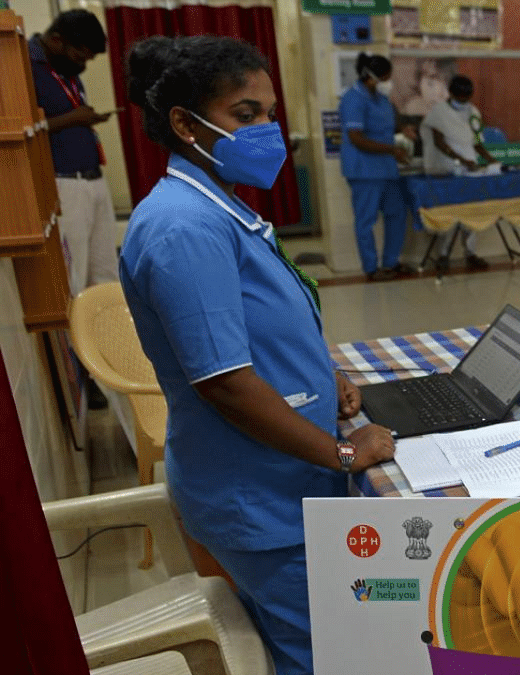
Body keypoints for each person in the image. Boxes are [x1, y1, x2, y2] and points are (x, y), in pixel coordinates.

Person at [119, 36, 395, 674]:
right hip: (261, 499)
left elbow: (251, 331)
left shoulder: (219, 210)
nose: (269, 130)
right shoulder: (185, 227)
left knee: (337, 639)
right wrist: (345, 453)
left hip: (281, 483)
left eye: (270, 113)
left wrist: (321, 378)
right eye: (247, 115)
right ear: (186, 125)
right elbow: (225, 384)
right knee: (323, 656)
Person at [30, 9, 116, 409]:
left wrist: (83, 119)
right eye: (82, 54)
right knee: (76, 282)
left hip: (92, 180)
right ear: (58, 40)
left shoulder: (67, 70)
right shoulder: (24, 66)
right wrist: (71, 120)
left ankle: (115, 363)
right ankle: (86, 376)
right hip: (63, 185)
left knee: (106, 279)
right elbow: (27, 128)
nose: (84, 63)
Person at [339, 53, 412, 281]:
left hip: (386, 169)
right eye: (386, 78)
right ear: (371, 78)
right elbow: (356, 138)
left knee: (397, 213)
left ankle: (390, 262)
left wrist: (403, 130)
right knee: (366, 220)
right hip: (364, 170)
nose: (388, 83)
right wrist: (392, 150)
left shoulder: (380, 99)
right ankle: (371, 268)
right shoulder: (353, 99)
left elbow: (389, 121)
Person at [419, 74, 496, 272]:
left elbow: (477, 143)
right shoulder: (439, 112)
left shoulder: (473, 112)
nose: (463, 101)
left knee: (471, 213)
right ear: (451, 93)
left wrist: (491, 160)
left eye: (467, 97)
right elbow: (439, 142)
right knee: (449, 215)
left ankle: (470, 254)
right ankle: (443, 255)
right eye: (460, 97)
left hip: (469, 171)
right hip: (445, 170)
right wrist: (461, 160)